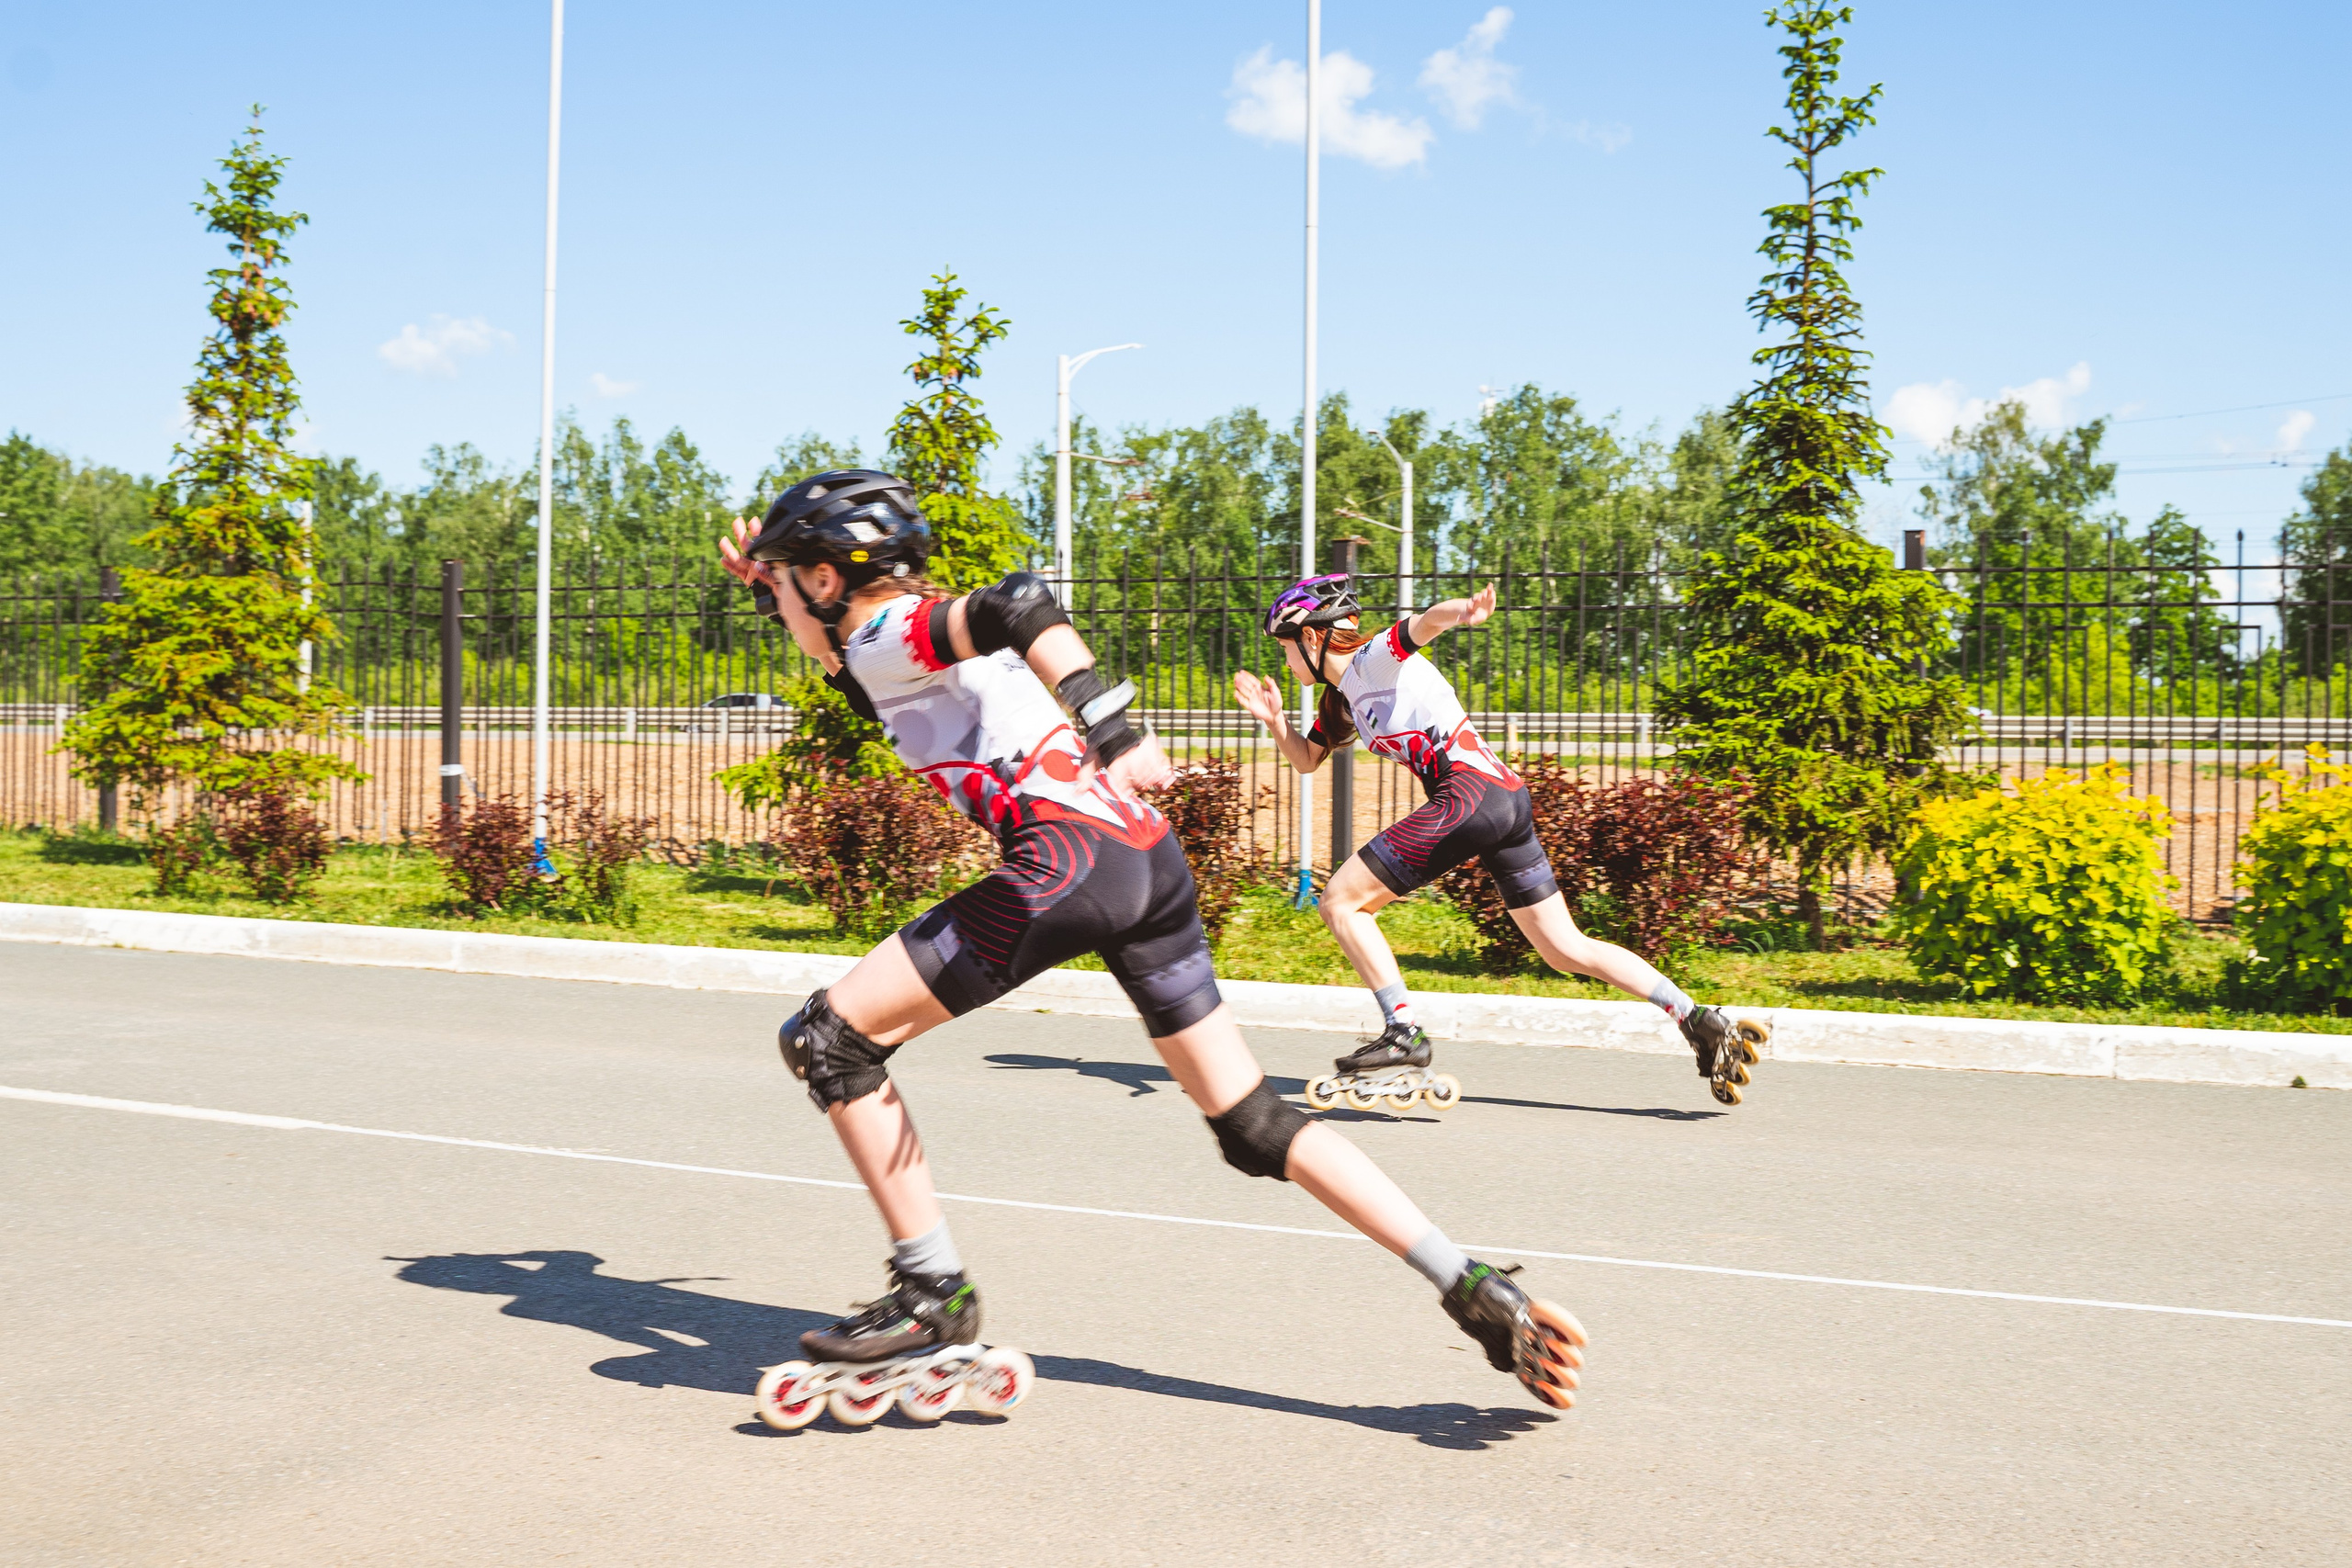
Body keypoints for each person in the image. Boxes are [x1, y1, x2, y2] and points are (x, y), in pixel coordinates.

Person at [718, 472, 1585, 1424]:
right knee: (1252, 1125)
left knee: (830, 1042)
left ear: (829, 582)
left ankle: (932, 1294)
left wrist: (1110, 720)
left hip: (1067, 862)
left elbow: (1018, 604)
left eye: (785, 583)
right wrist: (771, 589)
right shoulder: (875, 644)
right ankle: (1469, 1285)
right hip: (1144, 862)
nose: (776, 604)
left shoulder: (888, 630)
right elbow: (855, 660)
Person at [1231, 573, 1768, 1108]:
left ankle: (1404, 1034)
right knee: (1563, 949)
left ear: (1311, 634)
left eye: (1285, 647)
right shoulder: (1341, 700)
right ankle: (1698, 1019)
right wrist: (1276, 721)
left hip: (1470, 795)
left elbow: (1423, 624)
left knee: (1341, 902)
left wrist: (1465, 609)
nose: (1284, 661)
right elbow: (1306, 760)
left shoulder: (1374, 658)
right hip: (1504, 799)